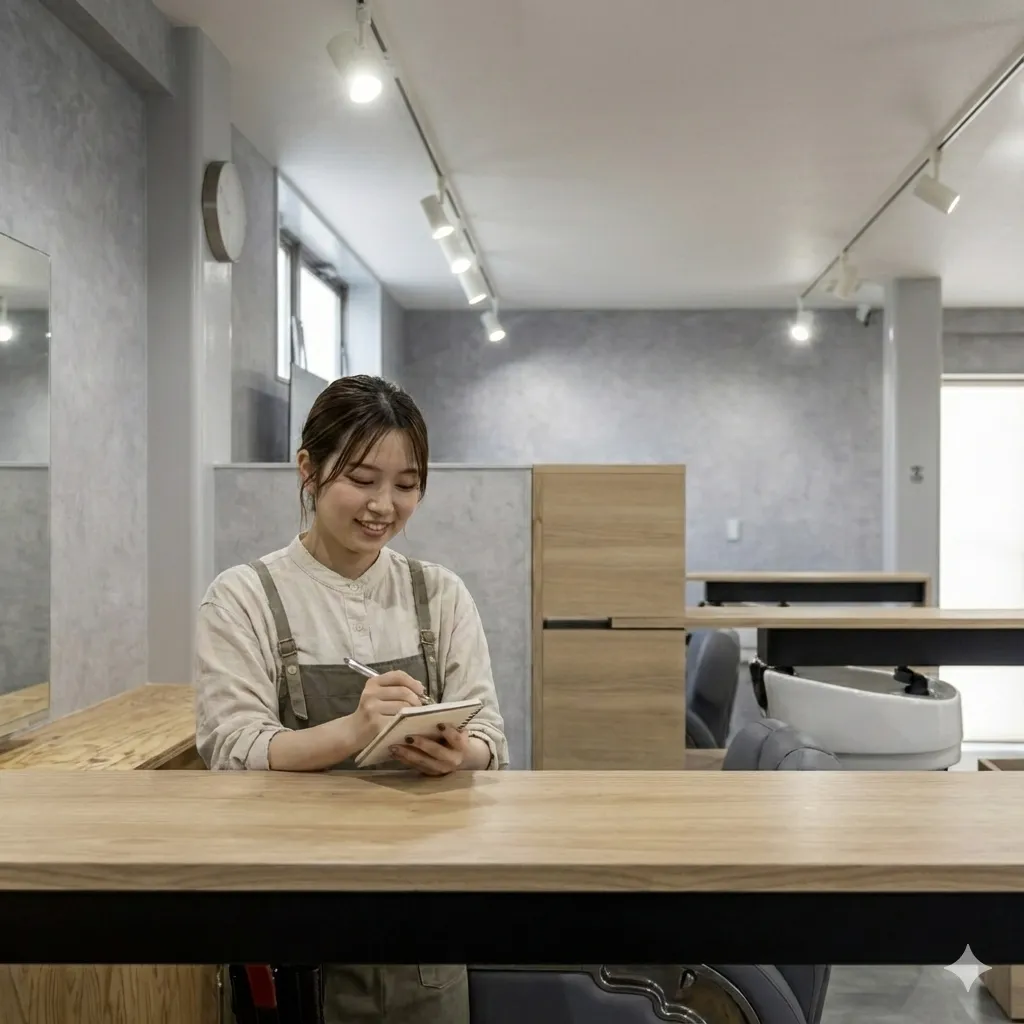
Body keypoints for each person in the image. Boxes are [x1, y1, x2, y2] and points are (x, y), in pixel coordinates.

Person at [194, 374, 509, 1024]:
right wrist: (355, 729)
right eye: (362, 479)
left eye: (407, 484)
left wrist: (460, 754)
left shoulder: (440, 594)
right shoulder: (244, 596)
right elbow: (232, 749)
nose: (383, 506)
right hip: (292, 912)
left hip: (422, 911)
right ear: (307, 470)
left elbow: (492, 739)